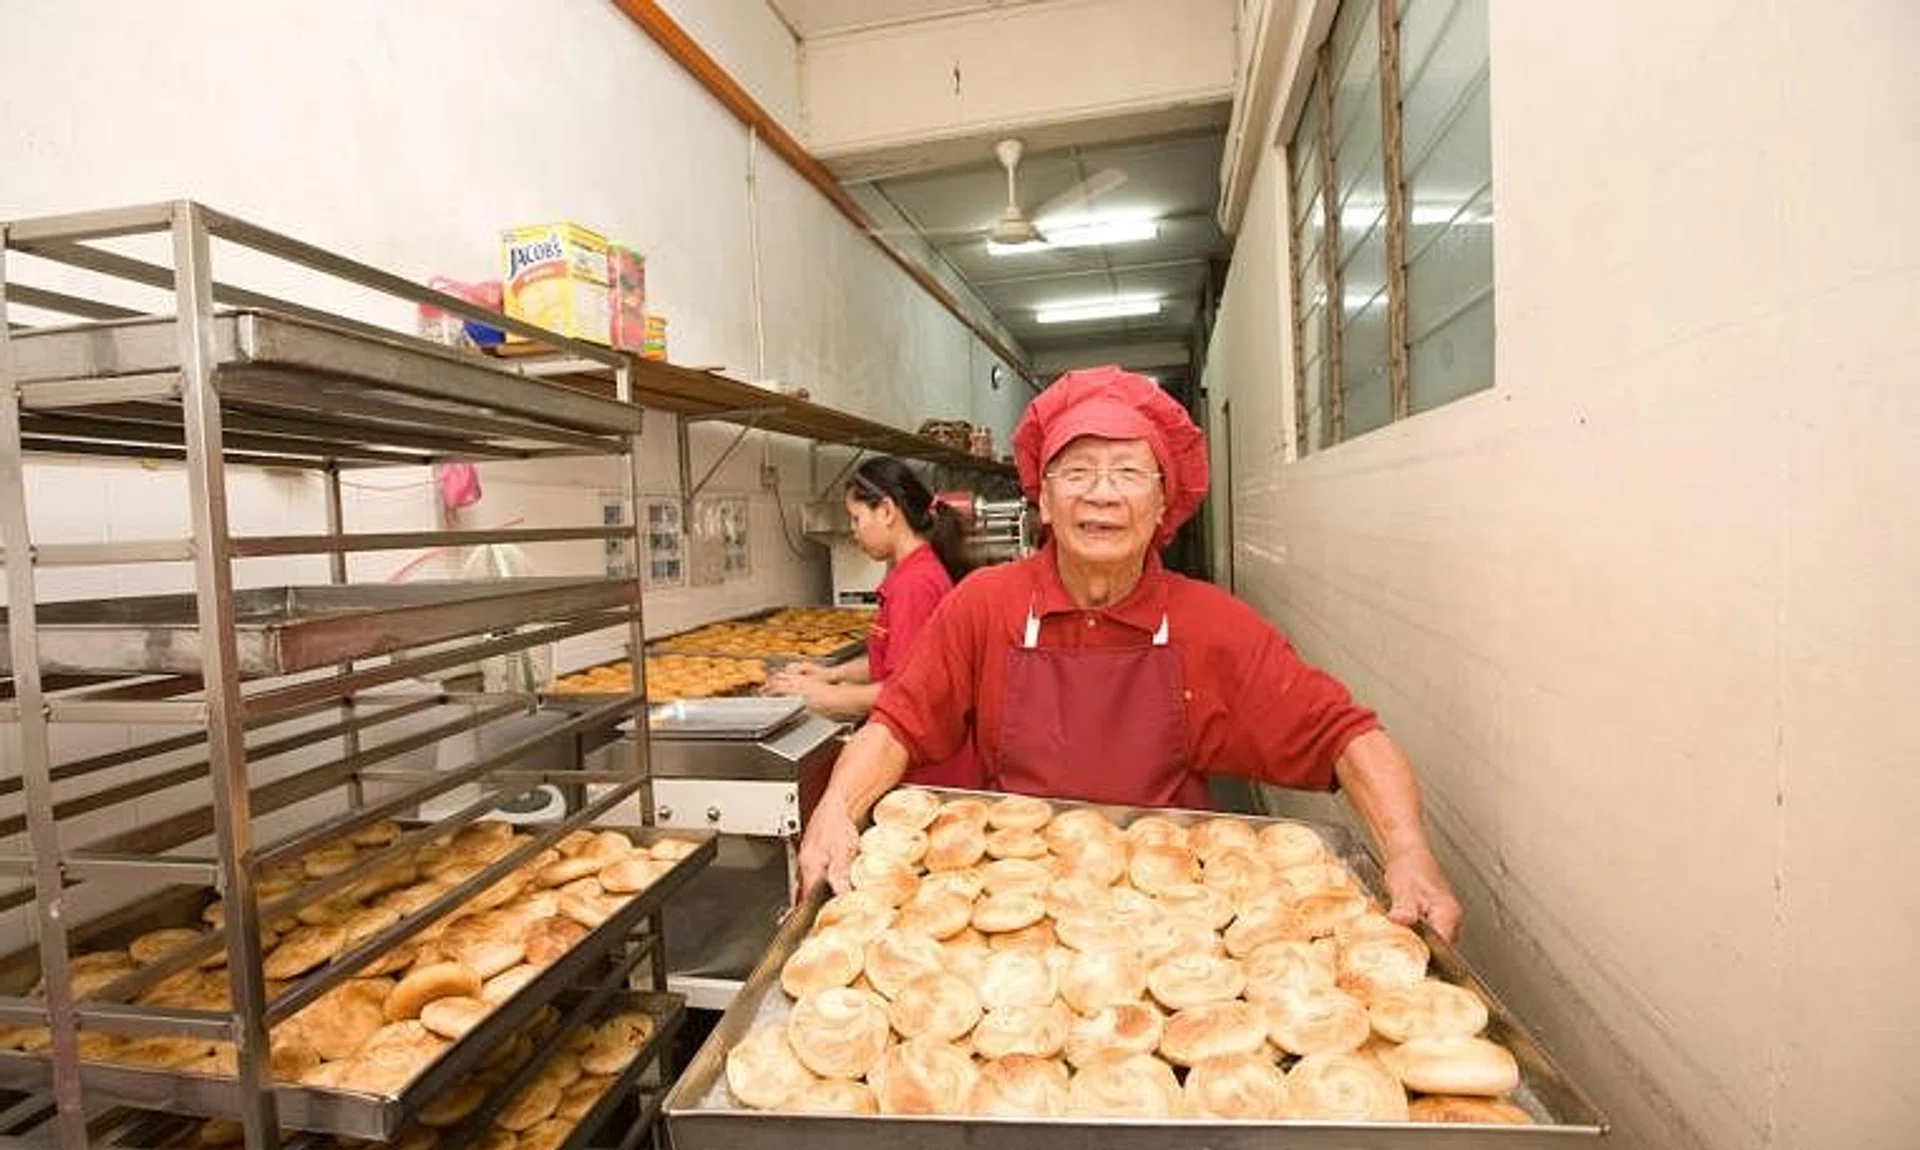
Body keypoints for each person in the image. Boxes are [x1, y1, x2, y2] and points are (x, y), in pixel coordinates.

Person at [794, 365, 1463, 939]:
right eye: (1077, 471)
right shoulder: (985, 606)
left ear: (1163, 502)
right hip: (1017, 909)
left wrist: (1407, 851)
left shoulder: (1213, 625)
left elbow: (1347, 735)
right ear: (1046, 501)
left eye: (1129, 472)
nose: (1103, 492)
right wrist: (834, 813)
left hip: (1173, 911)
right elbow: (897, 724)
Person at [764, 456, 983, 789]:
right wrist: (830, 674)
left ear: (886, 511)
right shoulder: (909, 573)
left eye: (856, 519)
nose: (853, 532)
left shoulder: (916, 585)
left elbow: (903, 692)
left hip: (925, 766)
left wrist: (819, 696)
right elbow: (900, 660)